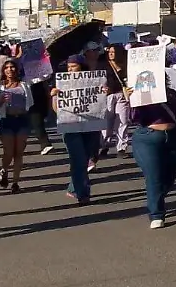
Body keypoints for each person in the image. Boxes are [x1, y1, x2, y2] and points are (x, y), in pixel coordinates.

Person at [127, 77, 176, 229]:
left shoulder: (172, 94)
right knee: (154, 177)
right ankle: (157, 214)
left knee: (170, 177)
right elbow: (133, 118)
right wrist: (131, 100)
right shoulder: (141, 95)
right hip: (148, 138)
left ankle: (154, 197)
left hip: (174, 137)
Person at [51, 54, 103, 204]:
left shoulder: (93, 81)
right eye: (68, 67)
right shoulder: (62, 84)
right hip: (70, 126)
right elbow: (56, 110)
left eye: (73, 66)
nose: (70, 69)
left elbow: (99, 103)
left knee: (85, 159)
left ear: (82, 66)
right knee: (77, 159)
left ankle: (74, 188)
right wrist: (55, 97)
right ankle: (83, 193)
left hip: (90, 125)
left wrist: (102, 91)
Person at [0, 59, 32, 193]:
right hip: (7, 121)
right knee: (9, 152)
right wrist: (0, 101)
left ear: (17, 69)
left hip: (22, 120)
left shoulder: (24, 85)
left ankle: (15, 182)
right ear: (4, 71)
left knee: (19, 153)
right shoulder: (0, 86)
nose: (10, 69)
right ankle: (4, 170)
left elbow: (30, 104)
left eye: (12, 67)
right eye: (7, 67)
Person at [101, 44, 130, 157]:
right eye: (109, 52)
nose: (111, 54)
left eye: (113, 52)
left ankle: (121, 147)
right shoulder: (103, 65)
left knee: (123, 120)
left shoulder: (126, 65)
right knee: (107, 122)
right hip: (108, 96)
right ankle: (104, 145)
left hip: (122, 95)